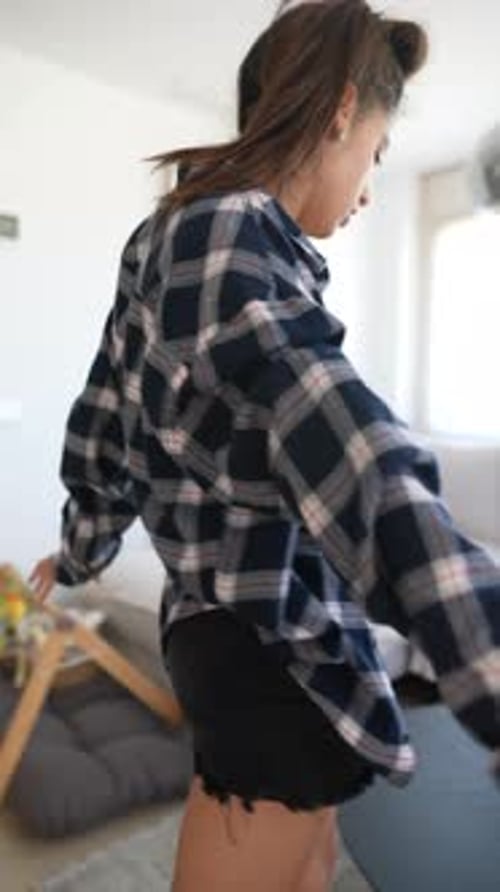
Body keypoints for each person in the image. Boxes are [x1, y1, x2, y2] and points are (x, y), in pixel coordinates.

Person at [30, 1, 500, 890]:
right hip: (266, 642)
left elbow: (106, 420)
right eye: (377, 153)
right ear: (339, 114)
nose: (368, 190)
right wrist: (477, 637)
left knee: (311, 862)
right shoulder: (228, 237)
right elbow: (345, 441)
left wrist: (82, 546)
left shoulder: (183, 236)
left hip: (247, 636)